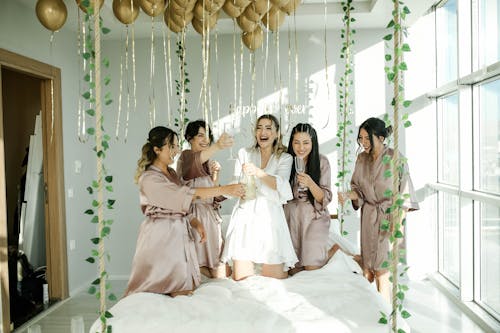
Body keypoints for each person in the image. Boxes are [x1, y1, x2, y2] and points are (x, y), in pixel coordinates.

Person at [124, 126, 245, 297]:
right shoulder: (150, 178)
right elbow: (185, 195)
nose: (176, 150)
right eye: (172, 146)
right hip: (161, 238)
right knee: (155, 292)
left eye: (176, 146)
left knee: (184, 290)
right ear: (157, 149)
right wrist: (225, 188)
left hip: (179, 234)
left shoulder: (171, 173)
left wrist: (195, 222)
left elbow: (182, 204)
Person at [338, 117, 419, 303]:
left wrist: (397, 225)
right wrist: (348, 195)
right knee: (368, 269)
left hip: (389, 219)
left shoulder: (394, 157)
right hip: (368, 217)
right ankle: (372, 313)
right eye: (361, 139)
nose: (363, 143)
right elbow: (357, 188)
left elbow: (405, 194)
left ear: (381, 138)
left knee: (382, 270)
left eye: (368, 139)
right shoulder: (361, 159)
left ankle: (387, 318)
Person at [222, 114, 298, 280]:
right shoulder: (244, 153)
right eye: (259, 127)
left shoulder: (285, 158)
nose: (263, 131)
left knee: (276, 282)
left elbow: (281, 185)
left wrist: (257, 172)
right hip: (245, 216)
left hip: (270, 219)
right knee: (242, 281)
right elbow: (236, 183)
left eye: (268, 128)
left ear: (277, 133)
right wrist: (223, 191)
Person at [176, 120, 234, 279]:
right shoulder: (186, 156)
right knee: (198, 263)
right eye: (200, 135)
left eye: (207, 136)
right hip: (196, 217)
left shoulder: (207, 162)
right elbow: (192, 169)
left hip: (211, 217)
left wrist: (216, 176)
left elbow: (214, 196)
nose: (205, 140)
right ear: (190, 138)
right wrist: (218, 146)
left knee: (223, 271)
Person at [284, 123, 339, 275]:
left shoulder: (322, 162)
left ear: (313, 143)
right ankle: (320, 254)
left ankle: (331, 252)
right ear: (291, 143)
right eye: (297, 142)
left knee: (311, 268)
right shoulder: (287, 162)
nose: (301, 147)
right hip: (293, 218)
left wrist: (310, 183)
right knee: (295, 271)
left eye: (306, 142)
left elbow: (325, 198)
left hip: (314, 216)